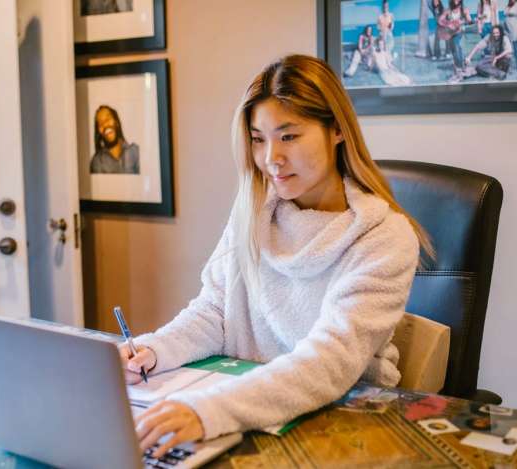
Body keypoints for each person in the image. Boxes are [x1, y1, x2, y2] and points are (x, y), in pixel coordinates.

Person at [121, 55, 433, 458]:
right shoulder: (253, 212)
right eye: (258, 138)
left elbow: (329, 362)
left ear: (337, 130)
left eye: (288, 136)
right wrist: (154, 349)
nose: (271, 158)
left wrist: (209, 410)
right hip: (249, 411)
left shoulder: (384, 237)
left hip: (343, 419)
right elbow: (216, 312)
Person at [89, 105, 140, 174]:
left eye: (108, 118)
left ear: (117, 122)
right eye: (100, 123)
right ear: (99, 132)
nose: (105, 124)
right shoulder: (97, 161)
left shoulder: (135, 151)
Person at [438, 0, 474, 82]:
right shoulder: (448, 10)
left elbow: (469, 20)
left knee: (456, 46)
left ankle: (460, 67)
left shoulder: (464, 9)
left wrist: (470, 21)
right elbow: (440, 20)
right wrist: (448, 23)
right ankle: (462, 65)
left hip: (459, 32)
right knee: (454, 50)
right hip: (450, 33)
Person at [503, 0, 517, 69]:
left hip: (514, 28)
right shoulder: (508, 5)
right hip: (506, 28)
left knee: (516, 48)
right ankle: (509, 63)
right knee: (507, 47)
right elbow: (506, 15)